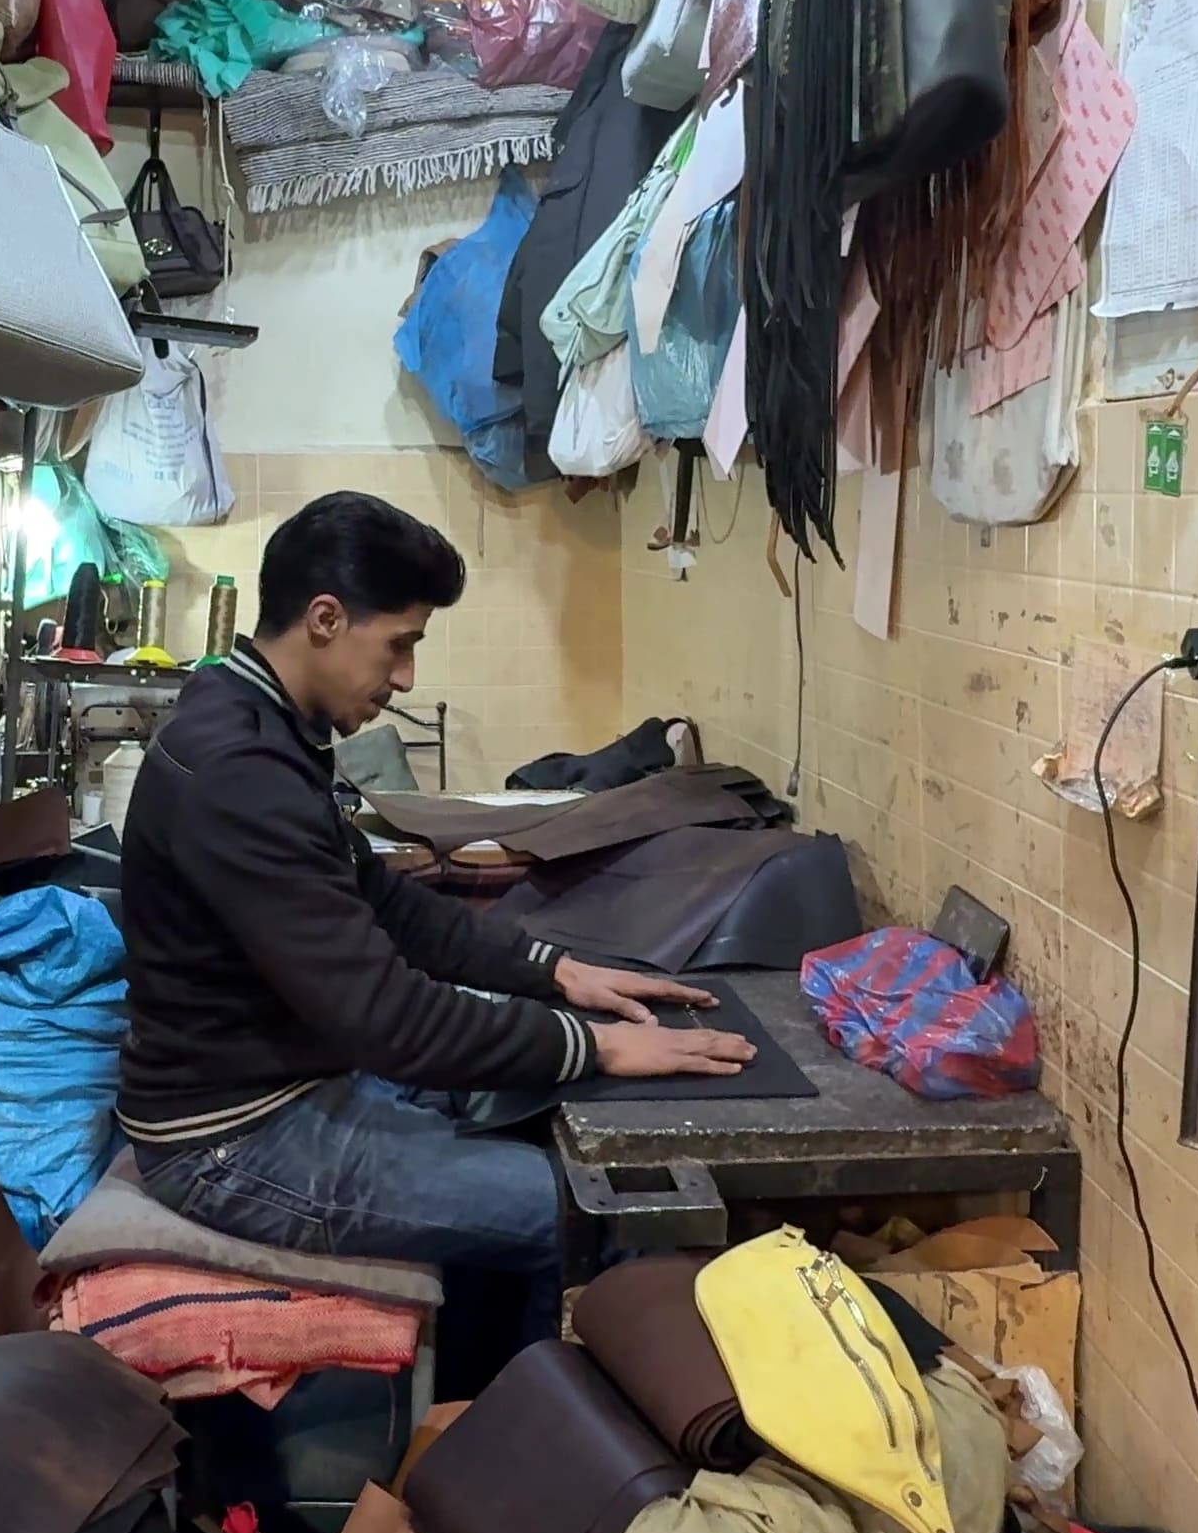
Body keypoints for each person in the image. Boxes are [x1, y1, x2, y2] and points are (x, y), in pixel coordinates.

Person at [116, 491, 755, 1273]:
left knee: (543, 1126)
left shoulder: (259, 721)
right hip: (236, 1144)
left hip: (294, 1091)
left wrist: (553, 971)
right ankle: (538, 1389)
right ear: (324, 620)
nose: (408, 677)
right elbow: (388, 1018)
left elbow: (385, 905)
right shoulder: (238, 771)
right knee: (613, 1210)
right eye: (399, 645)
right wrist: (597, 1047)